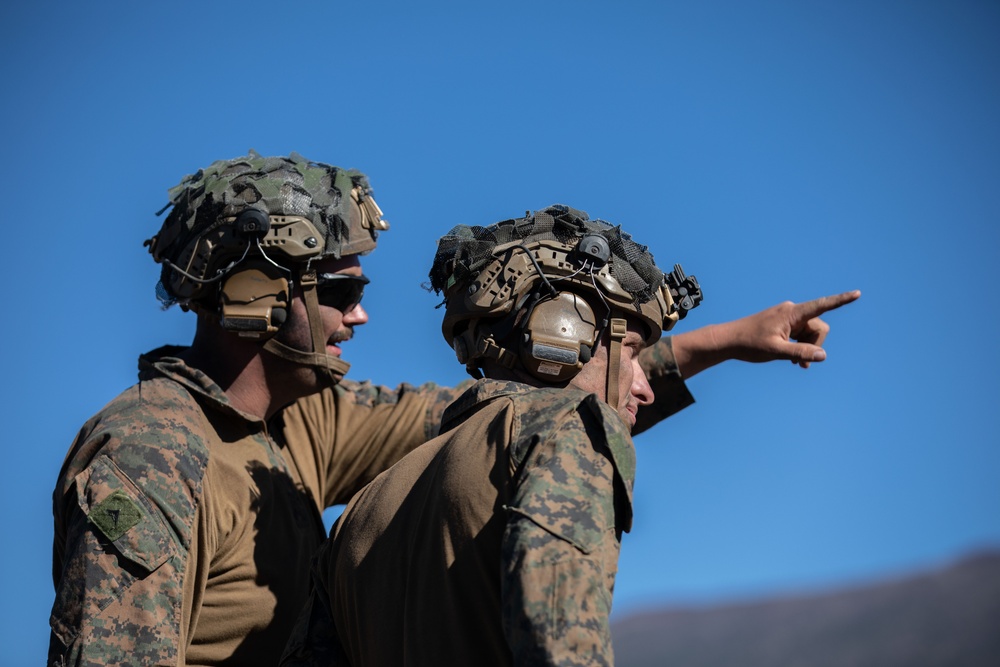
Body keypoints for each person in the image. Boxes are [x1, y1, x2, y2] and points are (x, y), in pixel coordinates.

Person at [50, 152, 857, 667]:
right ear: (256, 295)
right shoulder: (150, 452)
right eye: (341, 289)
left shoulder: (302, 425)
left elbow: (511, 406)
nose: (358, 315)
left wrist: (715, 344)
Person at [280, 205, 859, 666]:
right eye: (630, 351)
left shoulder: (367, 504)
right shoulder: (565, 429)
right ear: (563, 331)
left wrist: (726, 343)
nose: (642, 385)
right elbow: (559, 642)